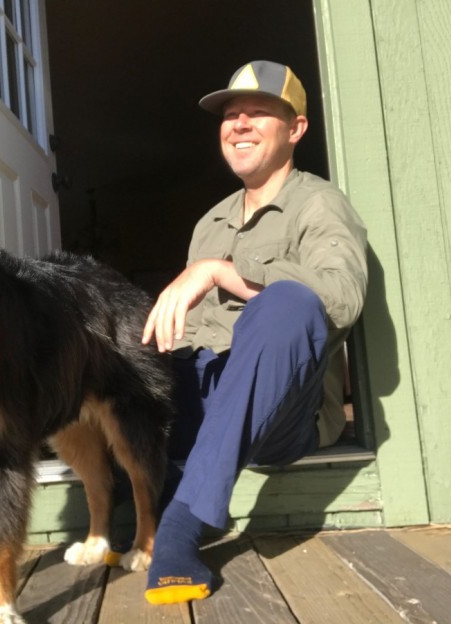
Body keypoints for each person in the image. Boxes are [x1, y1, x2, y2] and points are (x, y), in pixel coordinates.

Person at [141, 60, 368, 605]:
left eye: (258, 113)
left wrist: (224, 273)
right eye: (230, 115)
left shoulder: (319, 203)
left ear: (296, 129)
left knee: (287, 303)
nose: (238, 124)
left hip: (285, 413)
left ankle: (184, 522)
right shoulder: (211, 222)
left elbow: (342, 296)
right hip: (209, 393)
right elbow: (190, 331)